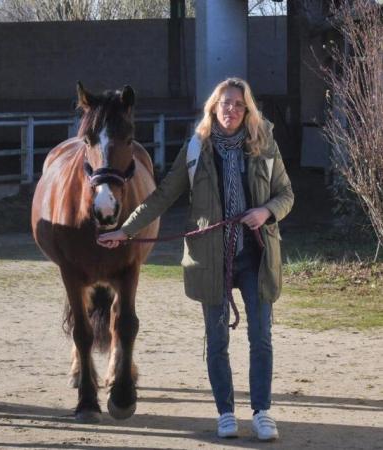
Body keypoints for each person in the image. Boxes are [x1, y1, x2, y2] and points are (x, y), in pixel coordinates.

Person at [98, 78, 294, 441]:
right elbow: (161, 197)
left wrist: (266, 211)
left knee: (261, 337)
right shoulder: (196, 149)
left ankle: (262, 413)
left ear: (247, 108)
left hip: (257, 255)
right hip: (210, 257)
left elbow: (286, 195)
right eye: (225, 104)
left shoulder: (264, 144)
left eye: (238, 104)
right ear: (213, 108)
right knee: (217, 340)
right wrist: (124, 231)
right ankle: (226, 413)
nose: (231, 110)